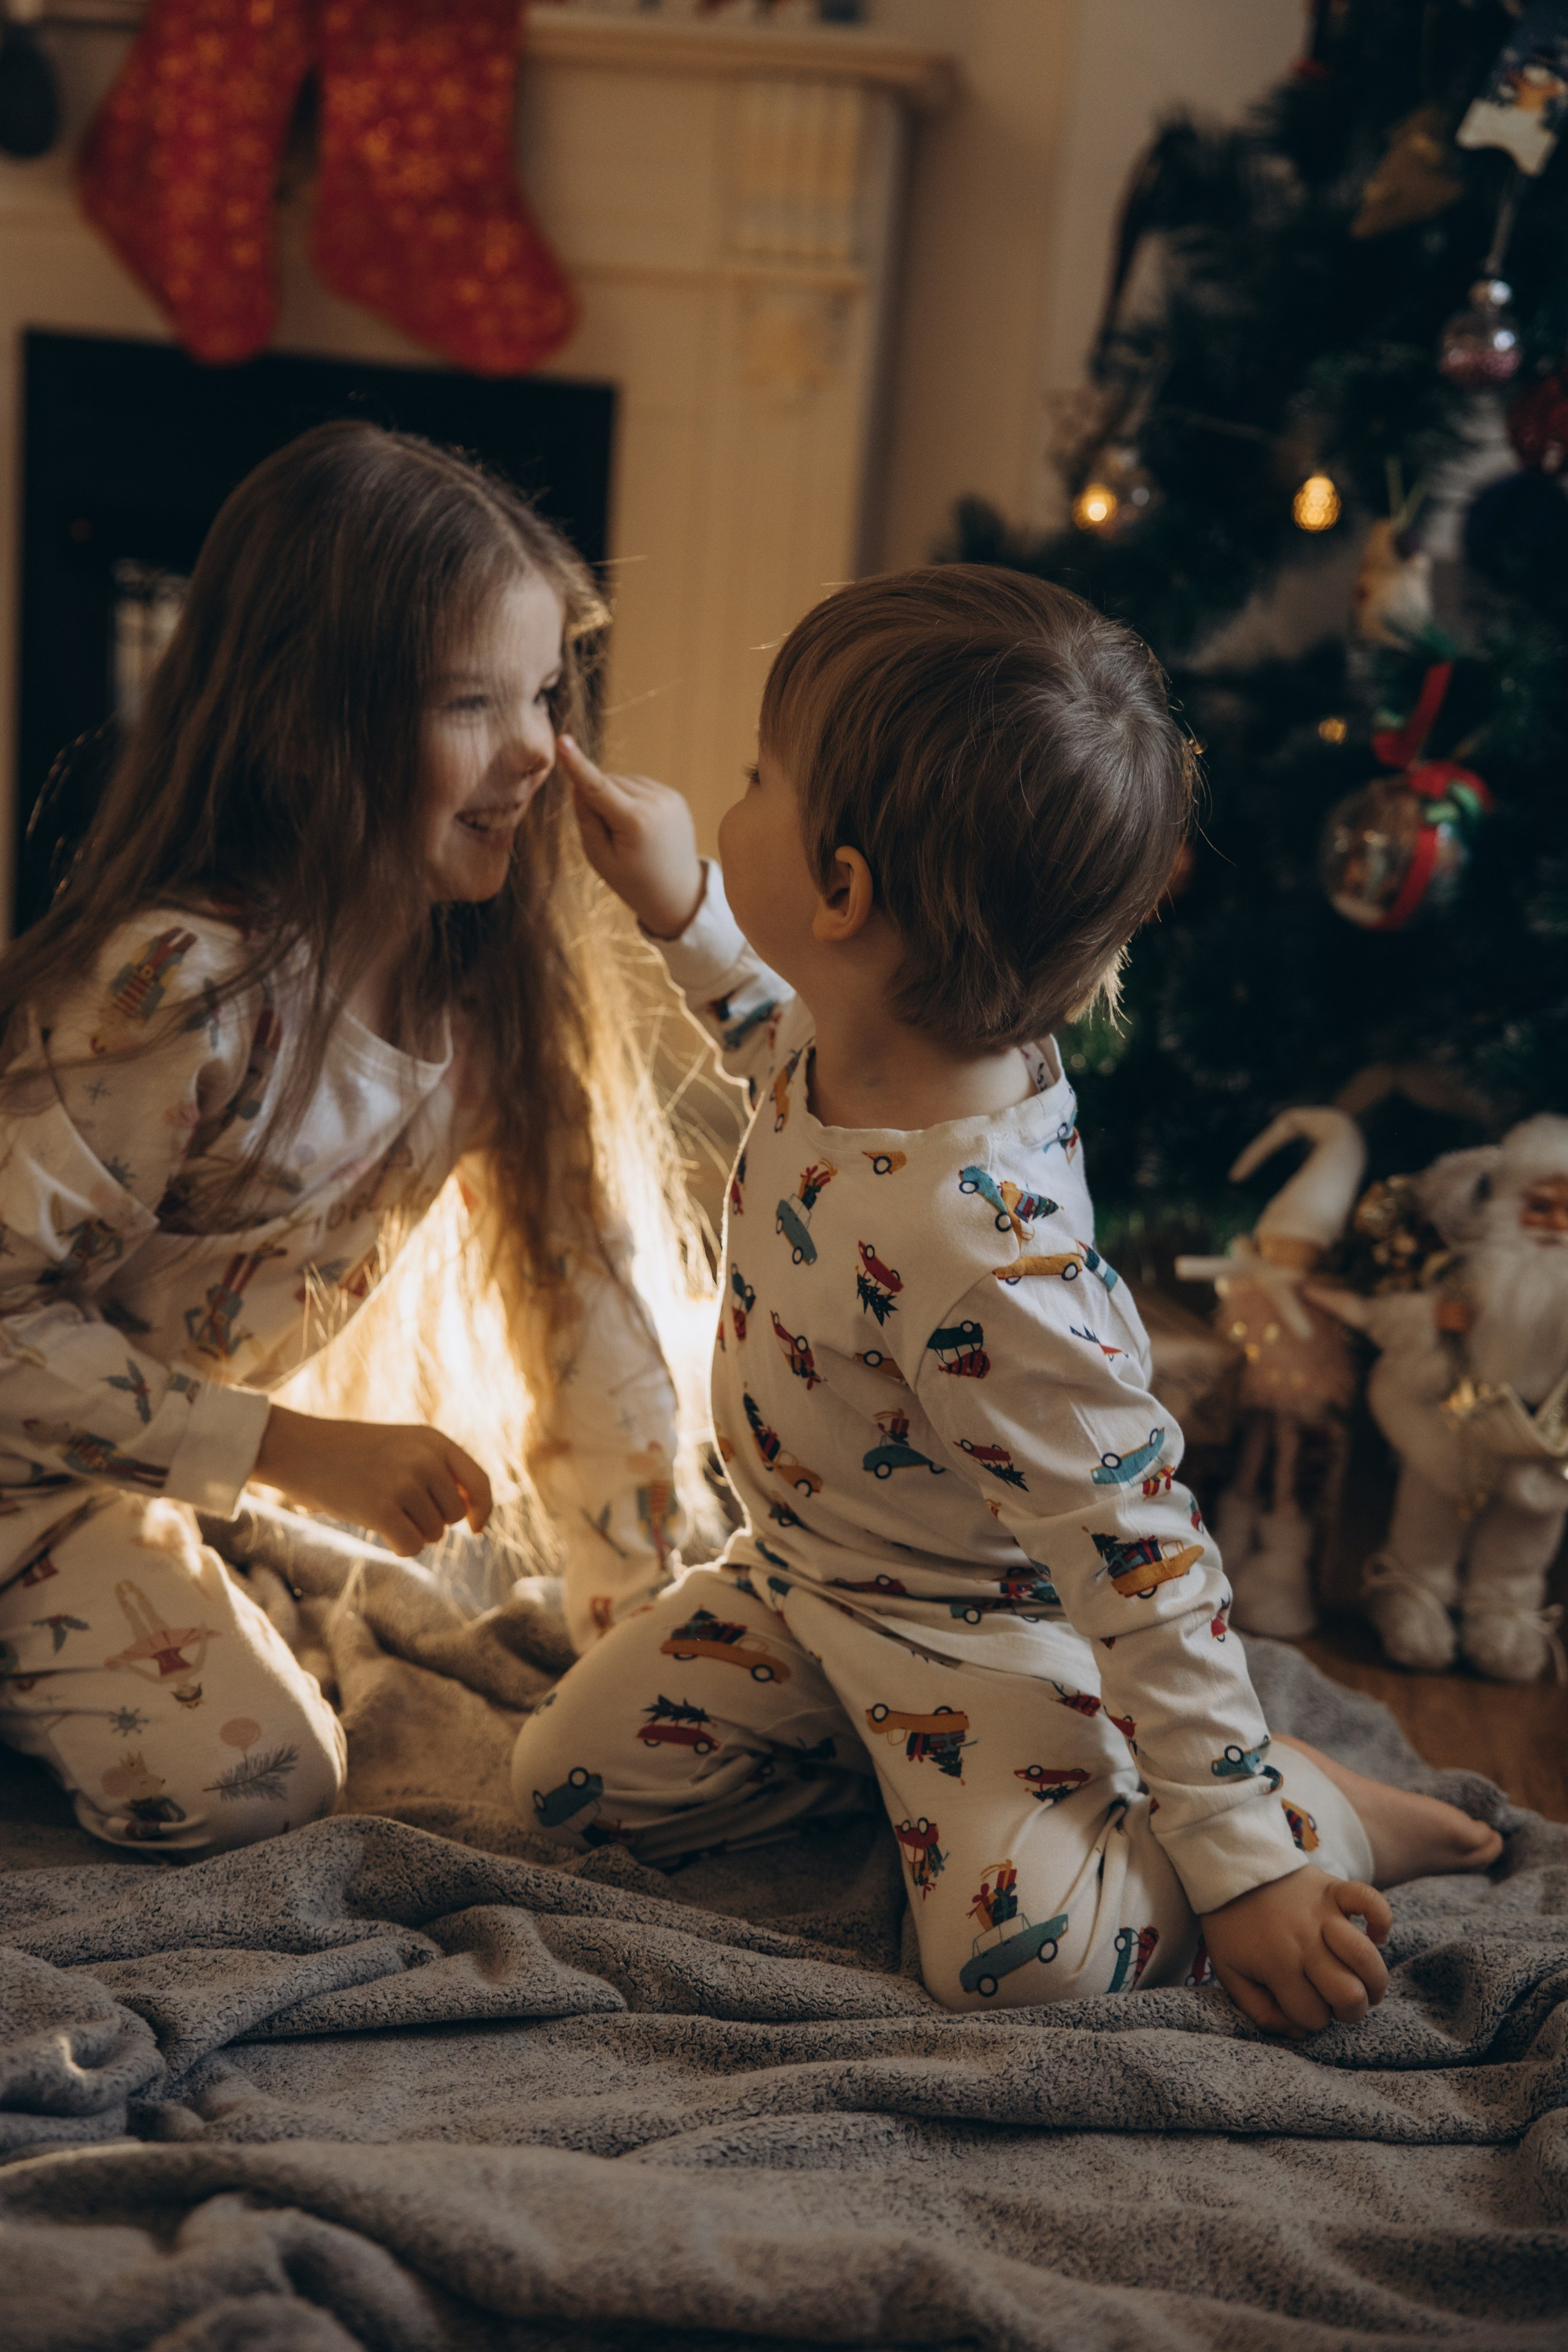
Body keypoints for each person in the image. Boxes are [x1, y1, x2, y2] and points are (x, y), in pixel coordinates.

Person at [517, 565, 1503, 2034]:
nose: (727, 796)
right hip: (805, 1580)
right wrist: (686, 912)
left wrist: (1242, 1869)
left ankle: (1307, 1806)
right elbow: (774, 1044)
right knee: (573, 1786)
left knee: (1015, 1965)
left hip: (986, 1635)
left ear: (842, 891)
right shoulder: (868, 1035)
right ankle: (892, 1764)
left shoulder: (992, 1246)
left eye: (753, 780)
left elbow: (1139, 1552)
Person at [0, 423, 698, 1856]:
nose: (531, 753)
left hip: (88, 1491)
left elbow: (581, 1308)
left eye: (546, 695)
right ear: (307, 725)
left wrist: (645, 1616)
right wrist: (286, 1450)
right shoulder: (184, 987)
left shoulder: (482, 998)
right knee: (256, 1784)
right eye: (467, 704)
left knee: (265, 1777)